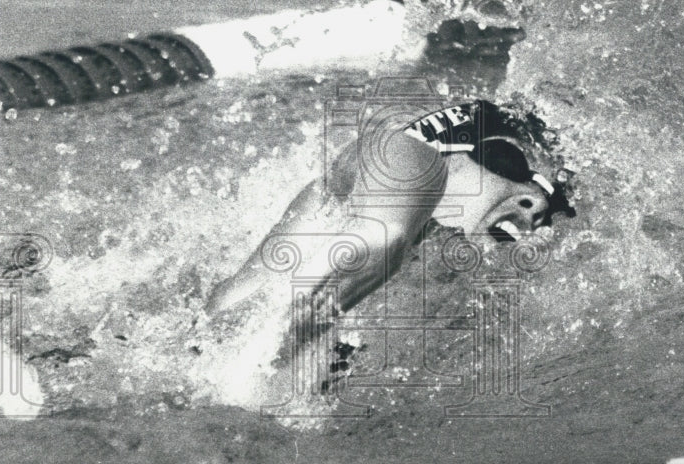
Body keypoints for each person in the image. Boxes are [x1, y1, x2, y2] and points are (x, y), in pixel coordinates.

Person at [206, 99, 574, 321]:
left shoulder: (443, 251)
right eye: (506, 164)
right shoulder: (430, 154)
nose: (537, 208)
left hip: (352, 182)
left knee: (230, 305)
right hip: (396, 162)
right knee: (383, 240)